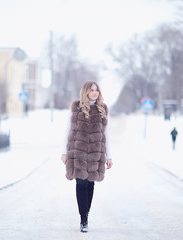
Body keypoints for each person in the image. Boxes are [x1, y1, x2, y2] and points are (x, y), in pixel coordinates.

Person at [60, 81, 113, 233]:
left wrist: (109, 156)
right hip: (79, 153)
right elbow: (67, 132)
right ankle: (83, 219)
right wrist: (64, 153)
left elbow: (106, 135)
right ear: (86, 92)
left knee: (90, 185)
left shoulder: (102, 110)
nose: (95, 93)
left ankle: (86, 214)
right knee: (81, 184)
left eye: (97, 90)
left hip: (96, 153)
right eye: (92, 90)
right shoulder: (76, 110)